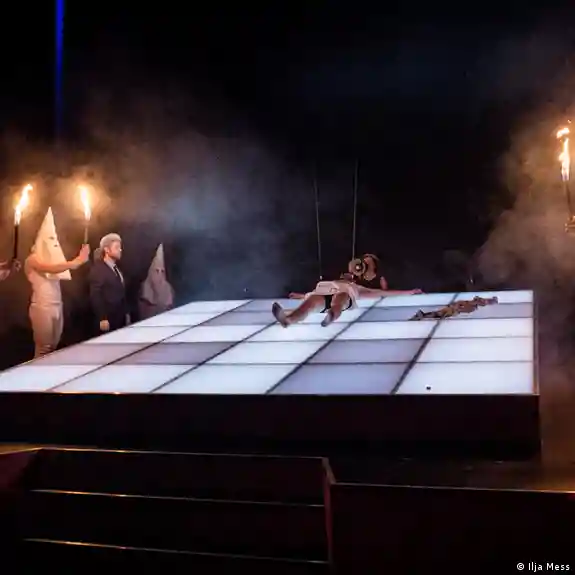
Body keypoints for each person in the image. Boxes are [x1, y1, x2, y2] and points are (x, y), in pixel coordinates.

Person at [273, 256, 422, 328]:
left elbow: (382, 293)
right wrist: (300, 295)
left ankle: (332, 315)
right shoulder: (335, 281)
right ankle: (288, 320)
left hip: (344, 296)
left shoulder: (358, 288)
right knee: (310, 302)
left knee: (341, 297)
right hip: (325, 291)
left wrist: (408, 292)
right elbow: (313, 293)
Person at [25, 207, 90, 357]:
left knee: (54, 347)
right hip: (42, 307)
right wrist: (75, 262)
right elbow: (50, 268)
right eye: (49, 239)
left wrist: (79, 259)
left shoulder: (54, 259)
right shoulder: (32, 259)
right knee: (44, 348)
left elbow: (58, 267)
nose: (53, 242)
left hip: (57, 305)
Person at [89, 233, 129, 333]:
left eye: (120, 247)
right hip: (108, 320)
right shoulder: (98, 269)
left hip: (120, 319)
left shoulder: (117, 269)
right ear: (107, 249)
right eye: (117, 247)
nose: (120, 250)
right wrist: (102, 317)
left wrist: (126, 313)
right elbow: (95, 295)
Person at [138, 243, 175, 320]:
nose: (160, 274)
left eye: (162, 271)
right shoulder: (144, 289)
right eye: (157, 271)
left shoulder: (169, 289)